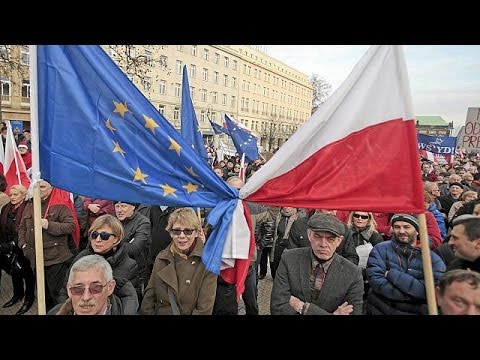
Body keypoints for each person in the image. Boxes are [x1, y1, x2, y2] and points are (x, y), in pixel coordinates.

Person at [270, 213, 364, 315]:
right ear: (309, 235)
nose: (323, 244)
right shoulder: (289, 259)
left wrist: (303, 308)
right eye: (318, 237)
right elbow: (278, 307)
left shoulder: (353, 273)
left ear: (339, 241)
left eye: (330, 239)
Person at [140, 208, 217, 315]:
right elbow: (149, 300)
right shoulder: (162, 258)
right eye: (176, 231)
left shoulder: (207, 262)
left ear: (196, 233)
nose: (181, 236)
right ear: (170, 233)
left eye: (188, 231)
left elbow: (204, 309)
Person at [57, 214, 140, 312]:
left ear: (116, 239)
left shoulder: (129, 266)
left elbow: (130, 301)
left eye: (104, 236)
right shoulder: (81, 257)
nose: (97, 240)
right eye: (94, 235)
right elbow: (65, 289)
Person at [366, 214, 446, 315]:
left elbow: (432, 290)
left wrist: (392, 274)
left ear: (417, 230)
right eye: (397, 227)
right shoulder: (380, 249)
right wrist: (413, 295)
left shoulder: (431, 258)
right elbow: (377, 282)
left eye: (407, 227)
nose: (401, 231)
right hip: (381, 310)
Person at [18, 180, 76, 311]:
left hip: (55, 258)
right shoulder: (30, 205)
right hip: (36, 257)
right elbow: (22, 227)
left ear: (51, 188)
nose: (39, 189)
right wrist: (23, 245)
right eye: (36, 186)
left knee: (56, 294)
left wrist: (48, 225)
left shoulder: (60, 204)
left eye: (42, 186)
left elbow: (70, 226)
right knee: (43, 294)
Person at [48, 254, 138, 315]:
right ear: (69, 290)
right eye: (78, 289)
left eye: (95, 288)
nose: (86, 297)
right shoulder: (55, 313)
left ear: (110, 288)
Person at [0, 185, 35, 315]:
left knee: (27, 273)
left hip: (22, 246)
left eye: (16, 195)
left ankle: (29, 298)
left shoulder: (29, 208)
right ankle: (17, 294)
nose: (12, 197)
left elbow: (28, 229)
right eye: (11, 195)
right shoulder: (6, 208)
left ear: (23, 195)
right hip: (7, 247)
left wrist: (16, 243)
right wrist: (4, 244)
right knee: (14, 271)